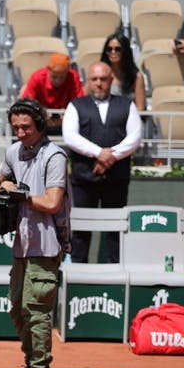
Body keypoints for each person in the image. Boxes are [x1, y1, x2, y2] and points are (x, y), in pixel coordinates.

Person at [0, 98, 70, 368]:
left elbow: (52, 202)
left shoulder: (55, 156)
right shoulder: (13, 151)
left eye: (26, 126)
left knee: (36, 309)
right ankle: (32, 363)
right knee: (16, 307)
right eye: (16, 127)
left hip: (46, 242)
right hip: (22, 242)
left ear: (39, 123)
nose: (21, 132)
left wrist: (21, 195)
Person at [62, 61, 142, 264]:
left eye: (103, 79)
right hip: (82, 179)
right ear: (88, 81)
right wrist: (99, 153)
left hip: (116, 179)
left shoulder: (127, 105)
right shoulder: (76, 105)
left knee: (115, 230)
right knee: (80, 229)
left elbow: (135, 137)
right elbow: (70, 136)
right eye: (94, 79)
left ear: (111, 80)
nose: (99, 83)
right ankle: (77, 273)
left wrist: (110, 158)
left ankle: (114, 273)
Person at [19, 53, 84, 135]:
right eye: (54, 76)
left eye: (62, 77)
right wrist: (41, 114)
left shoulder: (73, 77)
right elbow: (27, 104)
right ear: (48, 71)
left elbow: (79, 103)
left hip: (66, 121)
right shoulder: (37, 77)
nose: (58, 80)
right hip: (40, 121)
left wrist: (68, 115)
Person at [100, 32, 146, 111]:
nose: (113, 52)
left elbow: (140, 108)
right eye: (109, 49)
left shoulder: (136, 77)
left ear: (125, 51)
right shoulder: (99, 74)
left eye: (117, 49)